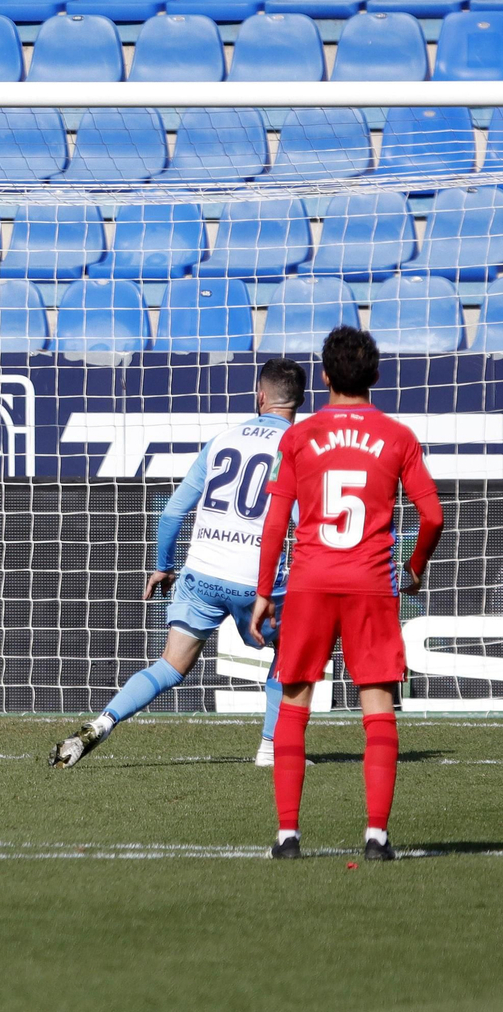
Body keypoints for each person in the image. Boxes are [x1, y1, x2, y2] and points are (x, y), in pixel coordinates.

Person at [52, 359, 308, 769]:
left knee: (170, 665)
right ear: (301, 400)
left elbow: (171, 513)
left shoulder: (224, 439)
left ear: (260, 395)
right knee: (293, 651)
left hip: (201, 571)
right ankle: (270, 748)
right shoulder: (300, 445)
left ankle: (103, 722)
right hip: (255, 579)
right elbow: (301, 521)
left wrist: (164, 566)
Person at [251, 326, 444, 861]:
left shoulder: (298, 437)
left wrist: (264, 591)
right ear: (376, 375)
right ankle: (376, 837)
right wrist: (414, 568)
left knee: (295, 702)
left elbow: (275, 522)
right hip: (370, 584)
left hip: (310, 582)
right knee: (377, 705)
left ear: (325, 377)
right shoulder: (398, 436)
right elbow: (433, 515)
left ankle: (288, 837)